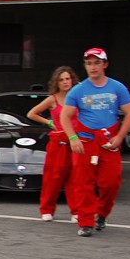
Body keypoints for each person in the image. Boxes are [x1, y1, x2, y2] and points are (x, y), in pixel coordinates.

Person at [58, 47, 130, 237]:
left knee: (111, 182)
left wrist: (120, 137)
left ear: (105, 64)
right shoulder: (78, 90)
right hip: (86, 140)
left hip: (109, 140)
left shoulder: (117, 87)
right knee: (83, 182)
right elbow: (65, 116)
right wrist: (73, 137)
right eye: (88, 63)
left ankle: (101, 213)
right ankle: (86, 222)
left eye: (96, 63)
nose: (92, 67)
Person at [26, 66, 79, 221]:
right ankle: (47, 209)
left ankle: (76, 211)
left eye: (67, 79)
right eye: (61, 79)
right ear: (56, 82)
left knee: (75, 177)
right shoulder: (52, 99)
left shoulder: (77, 97)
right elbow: (32, 113)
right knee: (53, 177)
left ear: (72, 80)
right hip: (58, 142)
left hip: (75, 140)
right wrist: (49, 122)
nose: (65, 82)